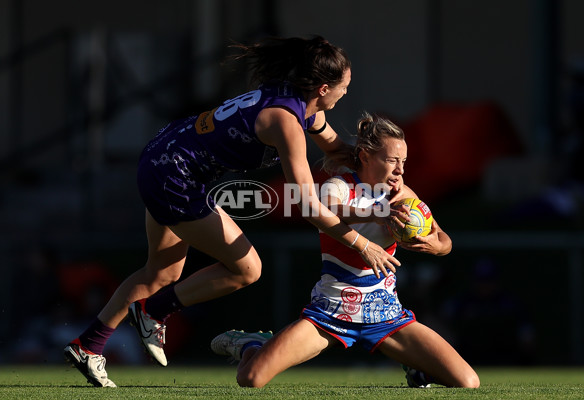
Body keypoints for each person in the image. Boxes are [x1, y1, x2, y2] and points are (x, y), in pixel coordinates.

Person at [63, 36, 401, 388]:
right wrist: (363, 244)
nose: (346, 93)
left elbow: (340, 151)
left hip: (161, 156)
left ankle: (88, 345)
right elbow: (308, 205)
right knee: (247, 269)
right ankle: (154, 311)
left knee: (160, 273)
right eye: (344, 87)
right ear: (324, 87)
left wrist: (383, 165)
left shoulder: (301, 104)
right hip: (175, 175)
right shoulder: (286, 122)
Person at [210, 113, 480, 389]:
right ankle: (253, 345)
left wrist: (437, 246)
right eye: (391, 161)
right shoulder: (338, 186)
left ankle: (418, 371)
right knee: (251, 379)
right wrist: (379, 213)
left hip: (386, 316)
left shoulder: (403, 195)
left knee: (468, 382)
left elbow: (443, 239)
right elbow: (328, 211)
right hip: (330, 314)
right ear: (364, 156)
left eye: (403, 162)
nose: (400, 169)